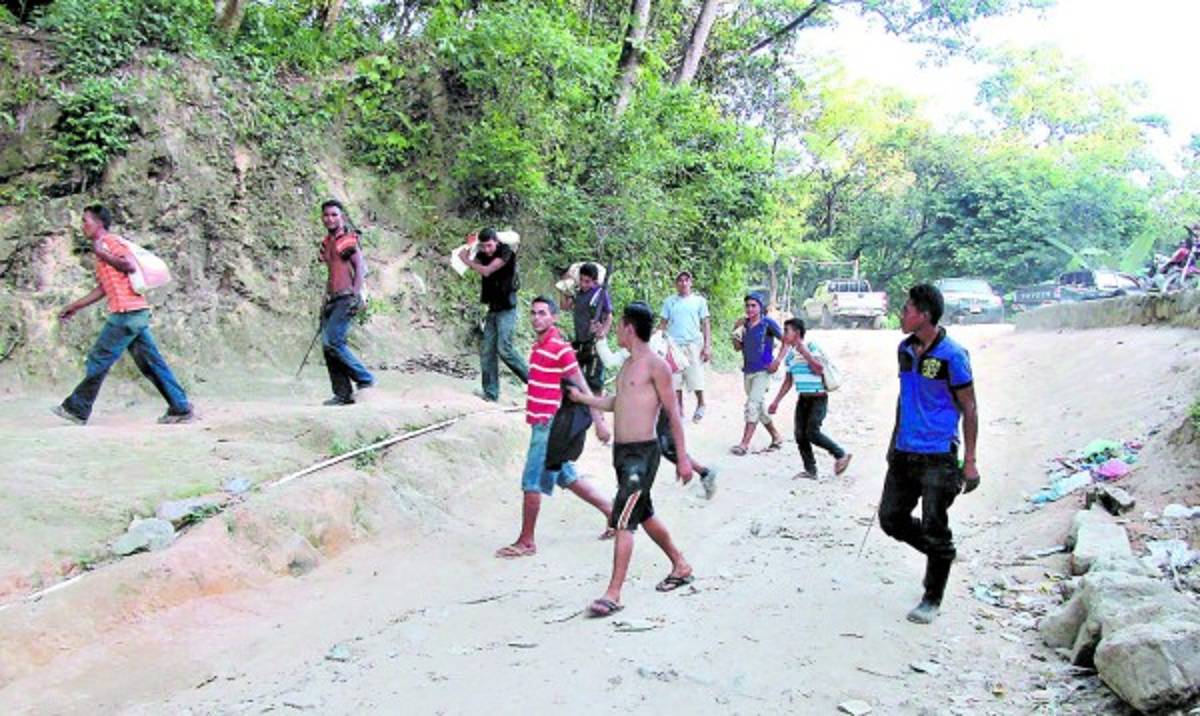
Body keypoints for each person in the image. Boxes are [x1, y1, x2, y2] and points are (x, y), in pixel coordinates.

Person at [568, 302, 694, 617]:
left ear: (630, 328)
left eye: (620, 325)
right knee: (643, 513)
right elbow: (618, 402)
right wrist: (585, 399)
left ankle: (614, 593)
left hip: (643, 454)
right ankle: (680, 564)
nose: (616, 331)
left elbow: (674, 415)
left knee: (623, 518)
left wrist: (683, 458)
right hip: (622, 454)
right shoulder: (627, 365)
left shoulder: (656, 365)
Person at [878, 283, 980, 625]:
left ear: (924, 315)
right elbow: (905, 397)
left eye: (906, 309)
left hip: (938, 455)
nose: (901, 314)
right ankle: (942, 555)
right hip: (905, 452)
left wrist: (971, 463)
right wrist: (894, 442)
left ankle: (932, 595)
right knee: (891, 518)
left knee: (936, 523)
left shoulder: (953, 355)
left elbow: (970, 407)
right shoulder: (904, 350)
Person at [54, 204, 194, 425]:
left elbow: (128, 265)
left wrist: (102, 252)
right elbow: (103, 289)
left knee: (98, 360)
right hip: (134, 314)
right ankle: (180, 407)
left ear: (99, 223)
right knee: (152, 363)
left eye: (85, 221)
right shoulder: (101, 250)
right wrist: (75, 306)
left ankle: (77, 408)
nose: (83, 226)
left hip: (126, 314)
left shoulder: (110, 243)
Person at [495, 296, 612, 558]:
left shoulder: (560, 348)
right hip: (540, 422)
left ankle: (526, 542)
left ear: (554, 317)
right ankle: (612, 512)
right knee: (565, 475)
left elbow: (582, 384)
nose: (537, 317)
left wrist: (599, 422)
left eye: (543, 313)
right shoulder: (538, 348)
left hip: (548, 425)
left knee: (531, 480)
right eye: (534, 313)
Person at [593, 317, 718, 499]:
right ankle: (702, 473)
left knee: (663, 446)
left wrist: (601, 339)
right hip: (655, 407)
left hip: (653, 409)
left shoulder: (640, 351)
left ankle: (630, 493)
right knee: (664, 446)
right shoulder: (647, 345)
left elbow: (611, 362)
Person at [768, 318, 852, 479]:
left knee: (812, 432)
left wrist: (804, 352)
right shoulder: (790, 355)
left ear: (797, 333)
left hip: (818, 397)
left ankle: (840, 454)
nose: (784, 334)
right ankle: (810, 469)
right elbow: (788, 381)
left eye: (787, 331)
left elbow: (819, 369)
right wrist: (776, 401)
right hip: (803, 398)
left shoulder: (812, 346)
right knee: (800, 434)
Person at [317, 199, 375, 406]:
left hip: (346, 296)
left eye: (334, 215)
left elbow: (360, 268)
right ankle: (342, 394)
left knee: (334, 341)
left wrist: (356, 294)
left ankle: (365, 378)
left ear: (341, 217)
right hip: (333, 298)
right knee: (328, 346)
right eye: (326, 215)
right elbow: (332, 272)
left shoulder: (346, 240)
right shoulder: (327, 243)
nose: (330, 218)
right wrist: (325, 298)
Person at [459, 228, 528, 402]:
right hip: (493, 308)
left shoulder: (506, 252)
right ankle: (490, 393)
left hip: (507, 308)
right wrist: (470, 248)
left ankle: (536, 383)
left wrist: (467, 260)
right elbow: (474, 256)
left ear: (496, 242)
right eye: (484, 246)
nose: (487, 249)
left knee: (505, 349)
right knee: (487, 351)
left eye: (489, 245)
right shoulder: (483, 253)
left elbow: (487, 270)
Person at [560, 262, 612, 442]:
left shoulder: (600, 294)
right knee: (575, 377)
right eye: (581, 281)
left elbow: (609, 315)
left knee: (595, 381)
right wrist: (564, 290)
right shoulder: (578, 293)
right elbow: (565, 306)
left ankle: (600, 417)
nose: (584, 284)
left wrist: (603, 331)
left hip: (594, 343)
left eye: (587, 281)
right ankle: (581, 411)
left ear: (595, 281)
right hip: (580, 341)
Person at [730, 292, 784, 455]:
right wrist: (735, 332)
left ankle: (744, 444)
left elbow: (786, 341)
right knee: (758, 406)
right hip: (748, 370)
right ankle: (776, 436)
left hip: (764, 370)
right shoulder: (743, 324)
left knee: (752, 405)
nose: (750, 309)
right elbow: (738, 348)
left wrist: (778, 361)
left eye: (753, 305)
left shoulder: (768, 324)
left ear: (761, 307)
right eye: (747, 305)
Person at [658, 270, 711, 422]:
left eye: (686, 280)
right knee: (675, 379)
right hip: (674, 345)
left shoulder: (699, 301)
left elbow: (706, 324)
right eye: (680, 280)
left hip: (693, 343)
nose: (683, 283)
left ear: (691, 282)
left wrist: (707, 346)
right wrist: (656, 341)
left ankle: (701, 403)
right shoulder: (670, 302)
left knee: (695, 376)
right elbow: (663, 324)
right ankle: (679, 410)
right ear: (676, 284)